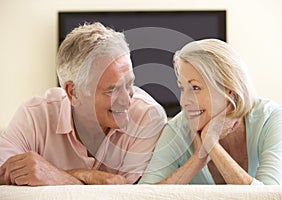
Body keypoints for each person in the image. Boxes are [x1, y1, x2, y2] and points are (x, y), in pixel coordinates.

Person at [0, 22, 167, 186]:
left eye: (130, 83)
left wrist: (57, 176)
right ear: (73, 92)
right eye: (112, 90)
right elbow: (3, 173)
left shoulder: (148, 117)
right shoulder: (34, 116)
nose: (127, 100)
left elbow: (130, 197)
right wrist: (83, 178)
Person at [139, 39, 282, 185]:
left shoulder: (272, 119)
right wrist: (197, 160)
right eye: (182, 88)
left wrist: (212, 143)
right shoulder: (177, 129)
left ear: (230, 90)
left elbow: (271, 196)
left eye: (195, 88)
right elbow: (144, 195)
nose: (184, 101)